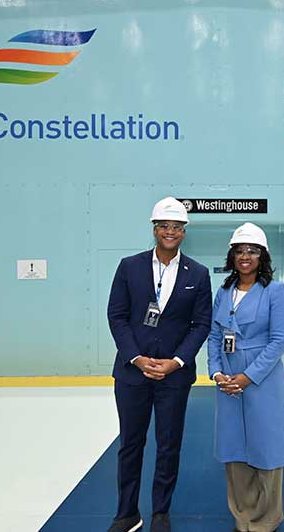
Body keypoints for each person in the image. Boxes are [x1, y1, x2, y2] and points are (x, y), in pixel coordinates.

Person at [107, 197, 212, 532]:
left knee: (168, 444)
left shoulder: (198, 273)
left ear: (184, 232)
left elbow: (201, 324)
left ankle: (160, 512)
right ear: (154, 229)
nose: (170, 232)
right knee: (130, 444)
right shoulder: (129, 267)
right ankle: (127, 513)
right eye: (164, 226)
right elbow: (117, 316)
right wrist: (136, 358)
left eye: (177, 227)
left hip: (173, 378)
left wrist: (177, 362)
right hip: (131, 375)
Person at [207, 222, 284, 532]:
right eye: (240, 250)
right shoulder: (225, 292)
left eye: (252, 251)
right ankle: (242, 516)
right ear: (232, 256)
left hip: (262, 379)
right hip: (227, 381)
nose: (246, 256)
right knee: (234, 448)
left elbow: (278, 341)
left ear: (262, 257)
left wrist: (248, 376)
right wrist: (217, 372)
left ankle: (266, 519)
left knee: (266, 447)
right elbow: (215, 335)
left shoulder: (275, 291)